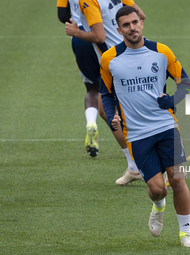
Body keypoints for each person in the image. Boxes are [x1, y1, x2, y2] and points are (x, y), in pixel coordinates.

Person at [100, 6, 190, 247]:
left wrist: (172, 100)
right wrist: (112, 115)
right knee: (157, 189)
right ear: (118, 29)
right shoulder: (109, 59)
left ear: (141, 23)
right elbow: (106, 92)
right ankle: (158, 205)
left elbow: (185, 82)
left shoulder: (161, 52)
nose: (132, 27)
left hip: (166, 126)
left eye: (135, 22)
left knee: (177, 179)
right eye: (126, 25)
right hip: (136, 133)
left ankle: (186, 234)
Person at [59, 0, 145, 185]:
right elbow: (140, 16)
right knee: (107, 110)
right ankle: (134, 166)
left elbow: (99, 36)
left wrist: (76, 32)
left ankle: (166, 167)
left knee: (126, 114)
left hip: (118, 61)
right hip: (134, 55)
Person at [57, 0, 101, 157]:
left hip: (80, 36)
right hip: (105, 34)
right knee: (115, 88)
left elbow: (62, 15)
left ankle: (91, 122)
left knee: (92, 88)